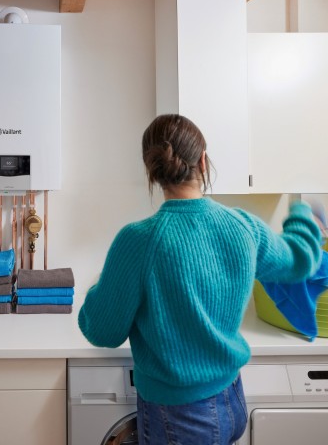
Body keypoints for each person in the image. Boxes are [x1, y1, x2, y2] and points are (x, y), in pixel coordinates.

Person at [78, 114, 323, 445]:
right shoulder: (243, 226)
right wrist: (301, 210)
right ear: (203, 162)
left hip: (176, 417)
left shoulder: (138, 241)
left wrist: (99, 289)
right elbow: (300, 261)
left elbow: (101, 331)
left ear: (152, 171)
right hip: (232, 402)